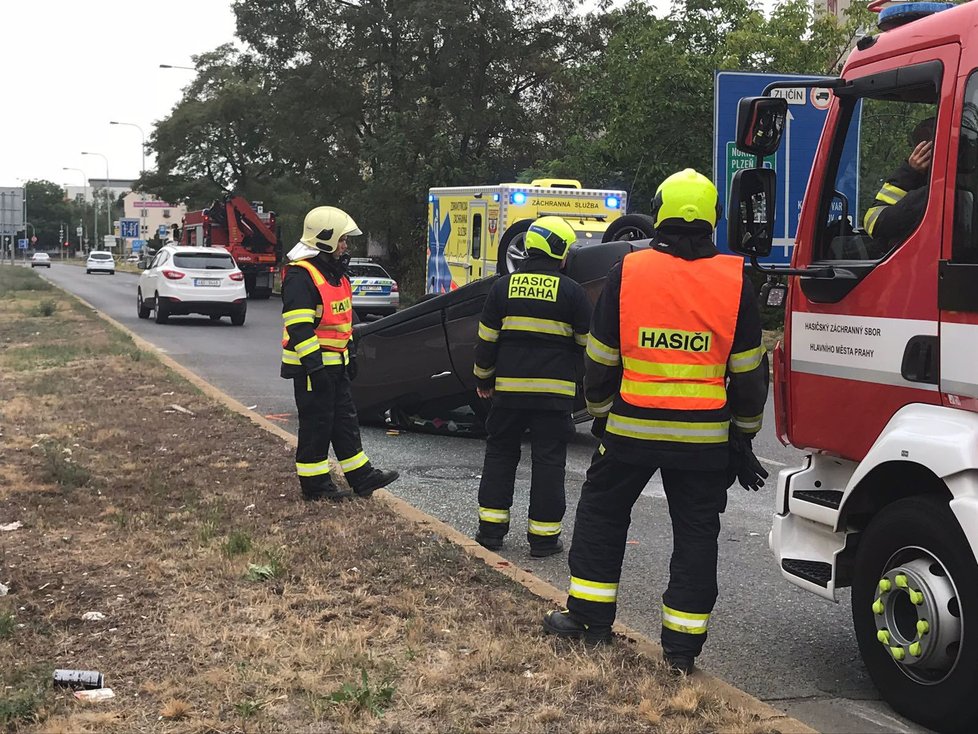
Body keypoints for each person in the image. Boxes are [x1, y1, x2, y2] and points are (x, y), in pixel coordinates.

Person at [542, 169, 769, 675]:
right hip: (704, 439)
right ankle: (682, 651)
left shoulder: (630, 270)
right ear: (713, 217)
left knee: (603, 514)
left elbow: (600, 359)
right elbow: (750, 375)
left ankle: (589, 620)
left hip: (631, 431)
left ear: (660, 210)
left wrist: (600, 416)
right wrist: (744, 436)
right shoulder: (736, 280)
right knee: (695, 535)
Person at [472, 216, 592, 558]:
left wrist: (483, 378)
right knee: (549, 462)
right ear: (559, 252)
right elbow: (588, 346)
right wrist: (579, 382)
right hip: (554, 398)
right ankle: (543, 539)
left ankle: (491, 531)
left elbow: (486, 341)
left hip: (508, 393)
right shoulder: (573, 293)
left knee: (500, 454)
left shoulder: (503, 287)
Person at [280, 206, 398, 501]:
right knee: (317, 427)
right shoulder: (300, 276)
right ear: (325, 240)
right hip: (313, 370)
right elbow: (299, 328)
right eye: (342, 240)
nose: (345, 245)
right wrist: (315, 368)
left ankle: (362, 477)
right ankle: (316, 487)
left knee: (345, 422)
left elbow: (343, 323)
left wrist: (351, 355)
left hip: (338, 365)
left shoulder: (335, 275)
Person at [863, 116, 935, 248]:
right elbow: (873, 220)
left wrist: (910, 172)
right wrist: (913, 174)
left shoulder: (934, 192)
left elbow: (874, 223)